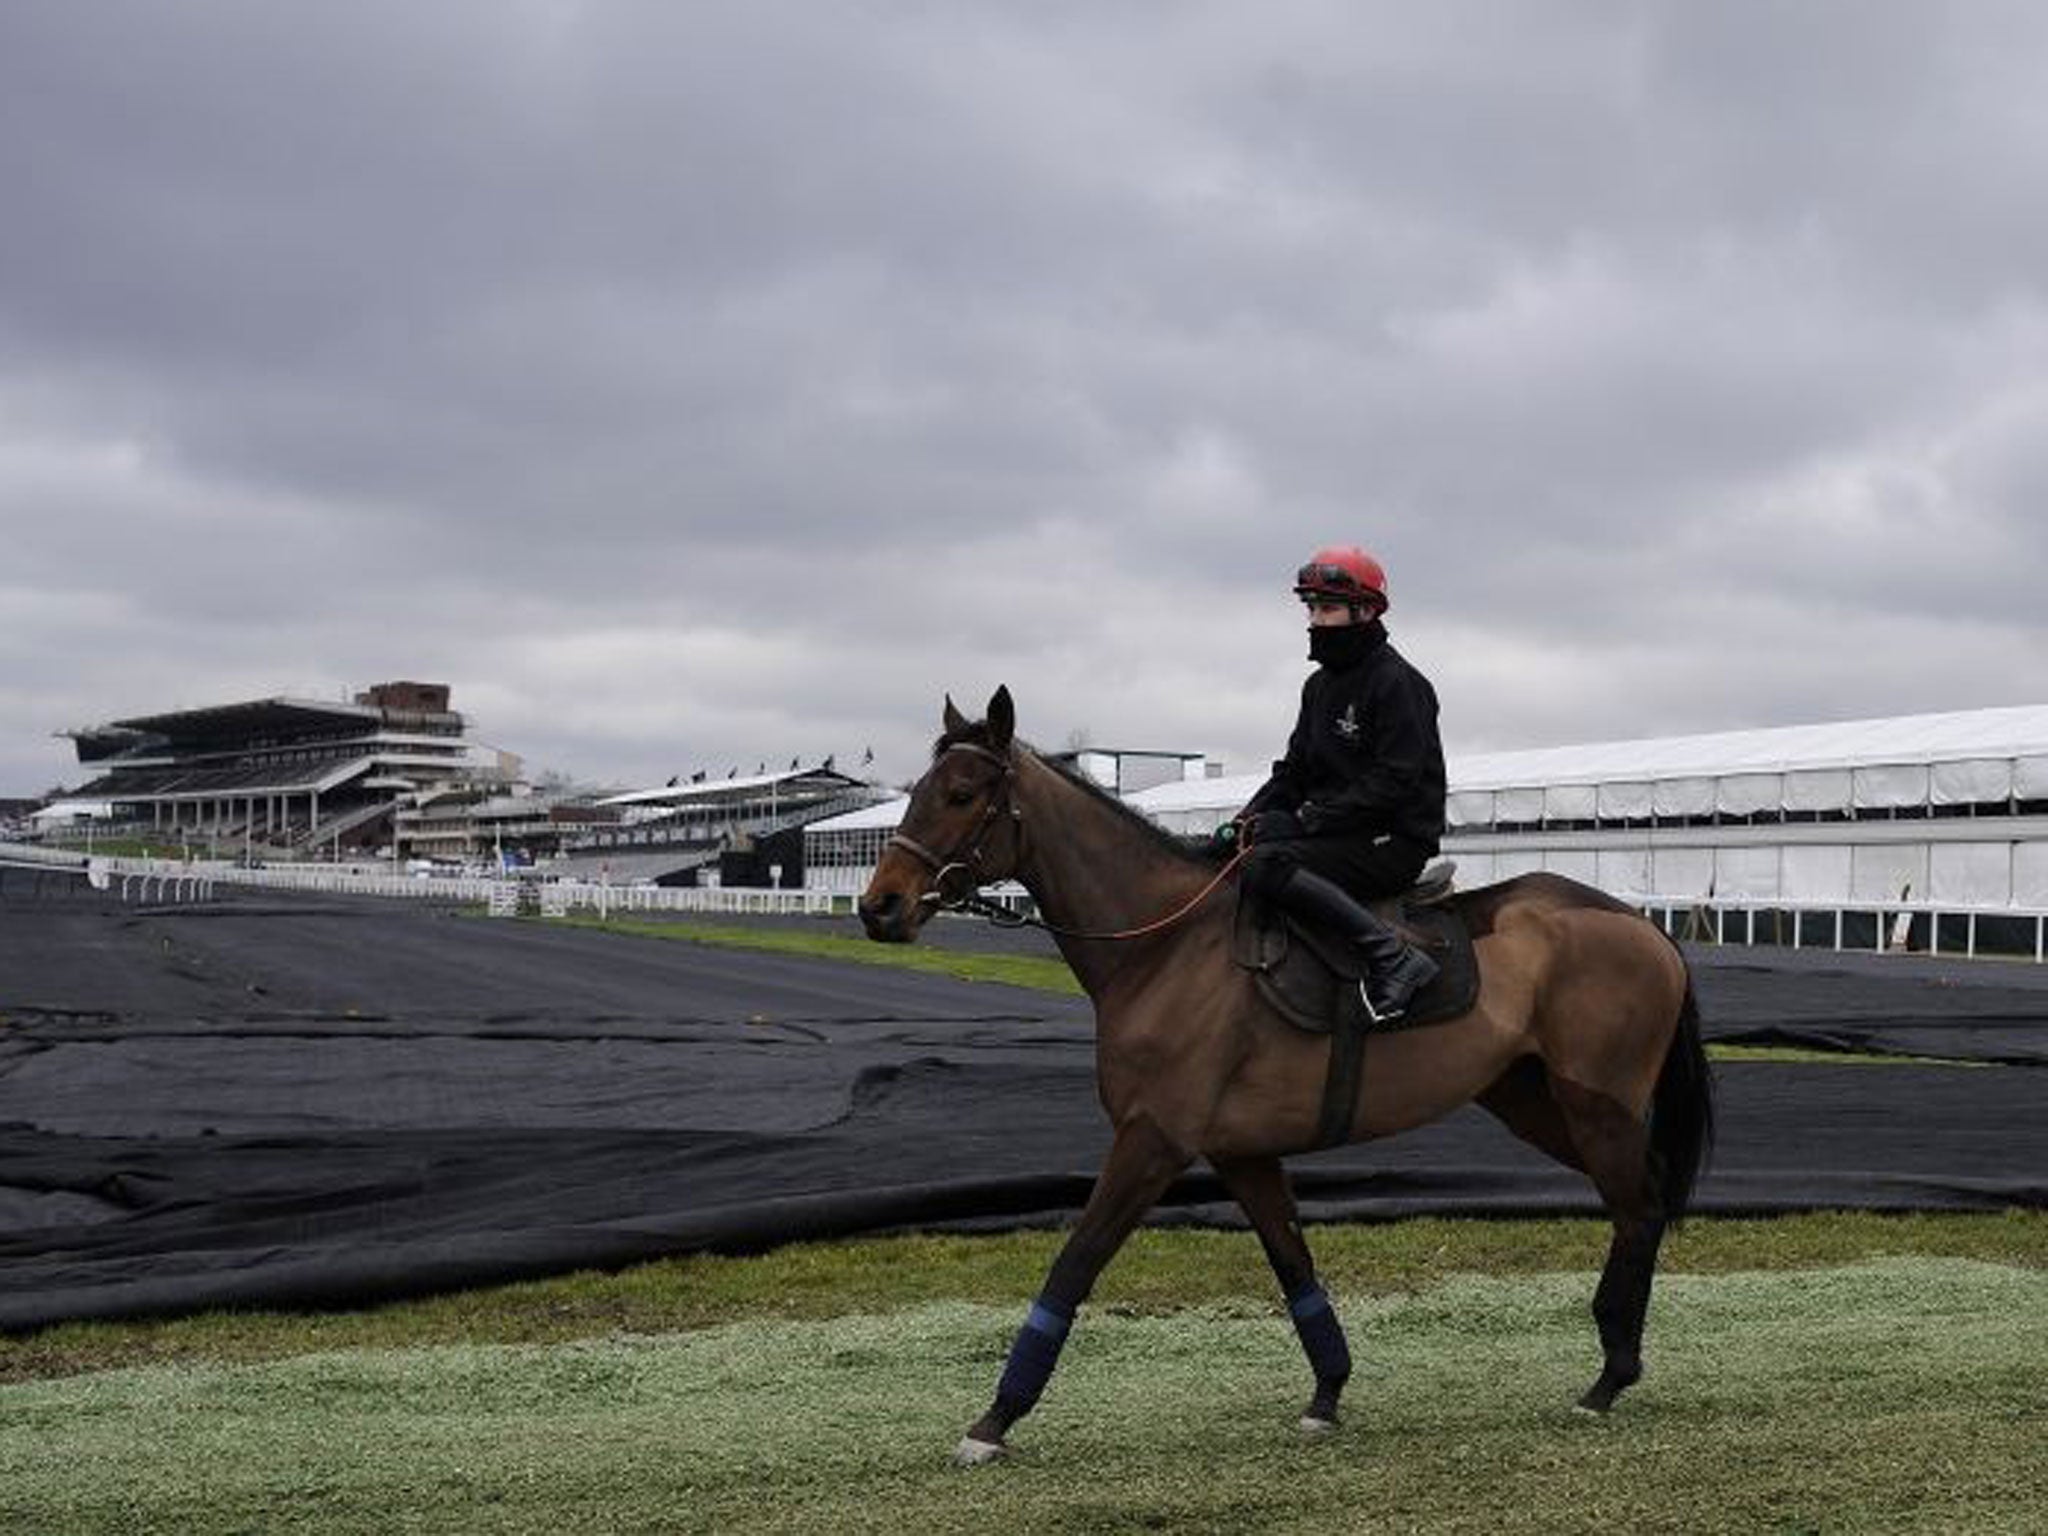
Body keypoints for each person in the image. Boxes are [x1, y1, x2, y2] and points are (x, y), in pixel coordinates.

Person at [1215, 545, 1446, 1021]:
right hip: (1340, 833)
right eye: (1311, 608)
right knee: (1232, 858)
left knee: (1267, 865)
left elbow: (1395, 781)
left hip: (1393, 841)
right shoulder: (1318, 687)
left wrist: (1306, 820)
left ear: (1364, 612)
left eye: (1328, 608)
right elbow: (1294, 771)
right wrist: (1244, 820)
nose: (1316, 620)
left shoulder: (1399, 683)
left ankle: (1393, 957)